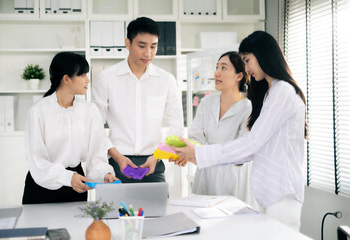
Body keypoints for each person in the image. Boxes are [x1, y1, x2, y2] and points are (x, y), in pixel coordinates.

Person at [172, 31, 307, 231]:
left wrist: (199, 153)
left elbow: (251, 144)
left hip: (281, 192)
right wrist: (196, 152)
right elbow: (254, 148)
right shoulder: (271, 92)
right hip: (268, 191)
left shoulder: (283, 91)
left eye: (247, 60)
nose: (246, 68)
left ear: (263, 55)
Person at [91, 17, 184, 183]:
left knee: (159, 209)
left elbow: (176, 126)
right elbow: (95, 126)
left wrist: (157, 156)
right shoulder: (107, 78)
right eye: (142, 46)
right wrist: (118, 157)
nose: (148, 53)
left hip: (154, 162)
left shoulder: (166, 80)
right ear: (128, 43)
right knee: (117, 209)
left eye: (153, 46)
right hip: (117, 163)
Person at [22, 52, 118, 204]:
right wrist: (67, 177)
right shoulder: (38, 111)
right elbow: (37, 161)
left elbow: (96, 152)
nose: (88, 80)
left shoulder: (89, 110)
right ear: (66, 79)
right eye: (82, 75)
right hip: (42, 187)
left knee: (76, 227)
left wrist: (104, 174)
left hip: (76, 186)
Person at [174, 51, 258, 209]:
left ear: (239, 76)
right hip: (205, 175)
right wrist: (193, 152)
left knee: (231, 225)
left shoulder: (248, 108)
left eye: (224, 68)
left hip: (233, 179)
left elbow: (242, 149)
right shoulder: (207, 102)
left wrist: (201, 152)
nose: (217, 73)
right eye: (217, 67)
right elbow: (195, 136)